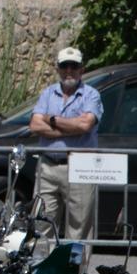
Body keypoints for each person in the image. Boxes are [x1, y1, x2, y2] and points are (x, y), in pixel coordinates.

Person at [28, 46, 102, 242]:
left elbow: (85, 124)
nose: (69, 70)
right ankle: (43, 270)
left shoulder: (91, 95)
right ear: (58, 68)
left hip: (79, 166)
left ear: (82, 69)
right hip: (48, 166)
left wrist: (51, 120)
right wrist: (71, 128)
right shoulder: (47, 93)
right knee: (42, 223)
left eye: (74, 66)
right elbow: (35, 125)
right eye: (64, 66)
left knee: (79, 227)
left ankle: (77, 272)